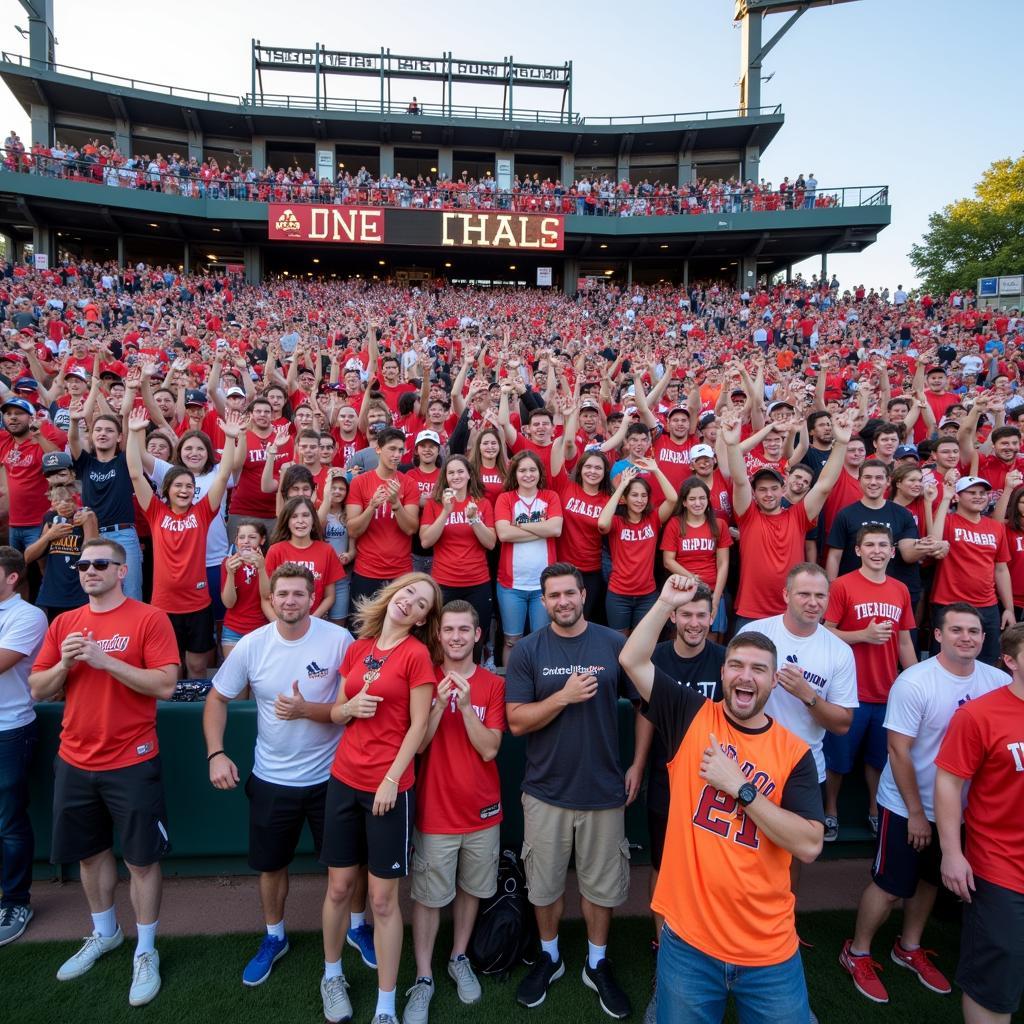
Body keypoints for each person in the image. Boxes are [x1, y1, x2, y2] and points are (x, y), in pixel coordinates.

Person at [619, 574, 824, 1024]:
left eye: (758, 669)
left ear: (774, 681)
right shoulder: (690, 714)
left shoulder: (794, 753)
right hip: (689, 942)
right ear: (723, 672)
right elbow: (632, 659)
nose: (745, 676)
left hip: (767, 945)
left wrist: (741, 788)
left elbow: (809, 845)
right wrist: (664, 603)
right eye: (736, 666)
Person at [28, 538, 179, 1006]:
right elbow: (37, 687)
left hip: (132, 759)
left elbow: (167, 685)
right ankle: (105, 932)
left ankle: (146, 949)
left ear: (121, 569)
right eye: (81, 564)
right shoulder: (65, 623)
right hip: (74, 758)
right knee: (90, 856)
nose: (88, 570)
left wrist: (104, 660)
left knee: (140, 860)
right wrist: (69, 663)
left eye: (99, 564)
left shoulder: (149, 617)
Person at [839, 603, 1007, 1006]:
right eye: (957, 630)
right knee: (890, 886)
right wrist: (916, 812)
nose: (966, 637)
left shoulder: (996, 681)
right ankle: (857, 951)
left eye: (974, 631)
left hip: (962, 810)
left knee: (932, 879)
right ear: (937, 635)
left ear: (984, 639)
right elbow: (898, 752)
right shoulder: (915, 681)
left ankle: (908, 946)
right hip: (906, 804)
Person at [204, 563, 358, 987]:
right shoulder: (252, 645)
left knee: (349, 864)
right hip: (272, 778)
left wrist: (310, 710)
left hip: (334, 777)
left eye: (298, 594)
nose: (290, 600)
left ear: (314, 598)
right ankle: (275, 936)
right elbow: (216, 699)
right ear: (270, 599)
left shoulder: (339, 640)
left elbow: (356, 700)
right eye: (282, 594)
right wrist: (216, 753)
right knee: (271, 866)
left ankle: (358, 926)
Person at [505, 563, 637, 1019]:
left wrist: (637, 763)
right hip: (545, 791)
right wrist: (563, 695)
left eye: (569, 593)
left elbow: (646, 704)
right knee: (543, 886)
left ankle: (597, 964)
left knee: (601, 888)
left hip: (603, 790)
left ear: (584, 595)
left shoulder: (612, 644)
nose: (562, 601)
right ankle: (550, 956)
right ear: (542, 602)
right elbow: (517, 721)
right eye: (553, 596)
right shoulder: (527, 649)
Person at [321, 573, 443, 1024]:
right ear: (393, 594)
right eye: (408, 592)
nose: (410, 602)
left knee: (384, 901)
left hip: (388, 789)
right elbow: (336, 711)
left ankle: (386, 1005)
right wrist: (347, 710)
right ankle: (331, 975)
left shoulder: (415, 657)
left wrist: (392, 778)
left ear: (423, 619)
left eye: (421, 603)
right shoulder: (357, 648)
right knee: (338, 887)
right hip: (343, 780)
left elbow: (418, 727)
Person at [404, 601, 505, 1024]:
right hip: (436, 809)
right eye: (450, 630)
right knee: (429, 897)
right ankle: (424, 976)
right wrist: (435, 706)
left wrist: (463, 707)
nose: (457, 637)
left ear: (478, 635)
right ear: (439, 635)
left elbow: (489, 748)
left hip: (483, 810)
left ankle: (458, 956)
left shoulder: (491, 685)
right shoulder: (425, 680)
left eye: (465, 630)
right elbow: (419, 745)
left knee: (472, 888)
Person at [632, 580, 725, 1022]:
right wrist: (637, 763)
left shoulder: (726, 661)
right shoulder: (659, 658)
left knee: (714, 867)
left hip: (715, 785)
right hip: (668, 778)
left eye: (700, 615)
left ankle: (715, 950)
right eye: (685, 614)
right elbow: (647, 714)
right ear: (673, 617)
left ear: (712, 617)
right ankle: (664, 949)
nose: (693, 622)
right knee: (663, 867)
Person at [934, 623, 1024, 1024]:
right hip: (999, 865)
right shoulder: (978, 714)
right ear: (1009, 661)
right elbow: (949, 783)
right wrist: (952, 853)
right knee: (994, 979)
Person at [126, 406, 241, 677]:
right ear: (167, 490)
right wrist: (133, 433)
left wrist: (231, 438)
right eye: (178, 485)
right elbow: (134, 473)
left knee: (198, 667)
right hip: (164, 606)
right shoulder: (155, 512)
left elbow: (223, 475)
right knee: (170, 668)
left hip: (198, 605)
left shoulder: (202, 512)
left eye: (189, 486)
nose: (184, 490)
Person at [824, 525, 918, 840]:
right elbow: (825, 632)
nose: (877, 551)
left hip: (886, 690)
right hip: (848, 692)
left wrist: (916, 680)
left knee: (879, 759)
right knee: (838, 760)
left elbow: (904, 642)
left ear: (893, 551)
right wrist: (861, 635)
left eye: (883, 545)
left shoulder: (900, 589)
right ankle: (831, 811)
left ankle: (875, 811)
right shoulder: (841, 586)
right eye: (870, 545)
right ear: (858, 550)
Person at [720, 407, 854, 628]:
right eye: (762, 489)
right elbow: (741, 480)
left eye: (774, 488)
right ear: (755, 493)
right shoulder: (748, 516)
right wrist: (733, 445)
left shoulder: (798, 516)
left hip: (791, 613)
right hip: (751, 612)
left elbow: (824, 485)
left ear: (783, 489)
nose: (769, 494)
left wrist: (840, 444)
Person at [0, 546, 48, 945]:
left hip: (10, 729)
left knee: (8, 820)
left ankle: (15, 900)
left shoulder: (27, 615)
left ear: (12, 576)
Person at [930, 474, 1014, 663]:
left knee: (988, 661)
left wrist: (1008, 608)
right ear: (958, 496)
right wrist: (945, 498)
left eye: (983, 493)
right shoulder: (948, 521)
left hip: (987, 606)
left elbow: (1000, 569)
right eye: (972, 492)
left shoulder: (996, 527)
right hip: (949, 603)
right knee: (945, 660)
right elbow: (934, 543)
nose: (979, 496)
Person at [418, 455, 496, 643]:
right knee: (442, 637)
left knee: (476, 636)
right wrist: (446, 511)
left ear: (469, 474)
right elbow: (426, 542)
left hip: (477, 582)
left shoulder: (482, 503)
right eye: (451, 472)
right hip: (444, 582)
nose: (456, 476)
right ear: (445, 477)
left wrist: (474, 519)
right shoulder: (434, 504)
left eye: (460, 471)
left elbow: (491, 543)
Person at [345, 427, 421, 615]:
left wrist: (396, 503)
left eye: (400, 450)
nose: (397, 455)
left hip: (400, 573)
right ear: (378, 449)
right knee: (363, 631)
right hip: (367, 571)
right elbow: (353, 530)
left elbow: (411, 528)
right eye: (392, 449)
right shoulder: (360, 482)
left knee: (398, 630)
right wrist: (371, 507)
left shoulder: (409, 483)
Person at [493, 451, 563, 655]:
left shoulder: (550, 496)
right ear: (514, 474)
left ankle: (539, 687)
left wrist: (520, 524)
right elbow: (504, 534)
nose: (528, 474)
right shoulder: (505, 499)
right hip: (511, 585)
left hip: (544, 585)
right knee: (511, 641)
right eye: (522, 470)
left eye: (532, 469)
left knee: (542, 641)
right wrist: (542, 527)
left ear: (540, 473)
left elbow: (555, 530)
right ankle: (512, 685)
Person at [598, 461, 677, 634]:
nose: (640, 500)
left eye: (643, 495)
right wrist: (622, 486)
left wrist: (656, 470)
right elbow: (602, 523)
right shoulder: (617, 522)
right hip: (618, 594)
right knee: (619, 642)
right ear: (625, 499)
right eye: (634, 495)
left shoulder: (653, 519)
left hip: (647, 595)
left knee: (642, 642)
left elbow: (673, 499)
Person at [264, 497, 345, 621]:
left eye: (306, 515)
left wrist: (310, 621)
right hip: (282, 623)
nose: (300, 521)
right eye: (294, 516)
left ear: (313, 520)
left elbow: (330, 596)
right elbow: (266, 597)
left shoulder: (326, 550)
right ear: (287, 521)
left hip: (314, 622)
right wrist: (279, 625)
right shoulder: (275, 551)